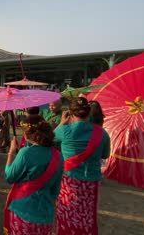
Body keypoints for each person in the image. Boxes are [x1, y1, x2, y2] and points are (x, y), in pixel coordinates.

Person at [54, 97, 111, 235]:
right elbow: (105, 155)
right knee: (87, 216)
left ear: (70, 113)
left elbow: (48, 139)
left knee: (67, 213)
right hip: (91, 182)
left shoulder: (64, 131)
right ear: (88, 113)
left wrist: (62, 123)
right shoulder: (101, 133)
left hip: (69, 180)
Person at [3, 116, 63, 235]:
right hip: (45, 215)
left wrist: (11, 152)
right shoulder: (58, 156)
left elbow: (9, 177)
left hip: (23, 211)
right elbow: (55, 191)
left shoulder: (25, 153)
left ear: (27, 134)